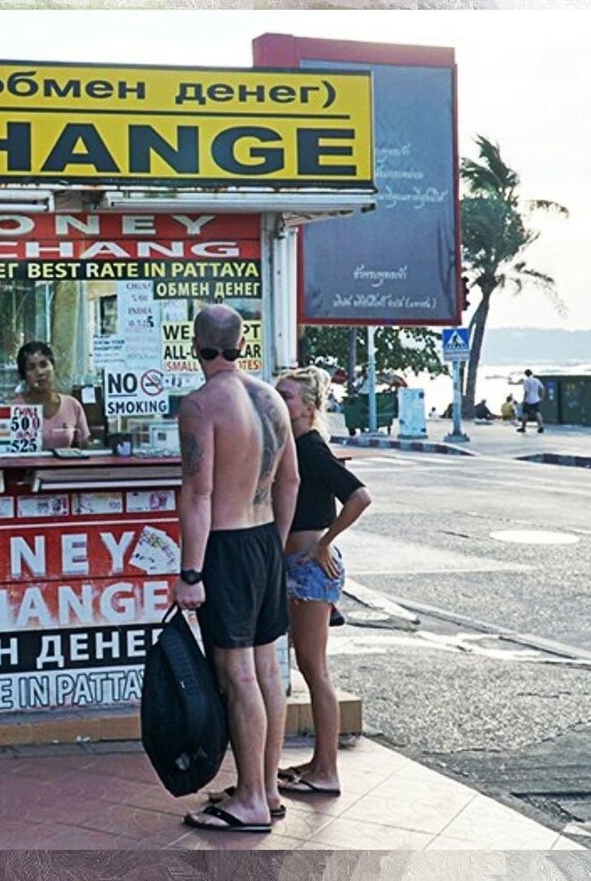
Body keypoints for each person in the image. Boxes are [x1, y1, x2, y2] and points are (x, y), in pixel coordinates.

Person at [175, 304, 298, 834]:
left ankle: (248, 799)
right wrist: (276, 545)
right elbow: (289, 481)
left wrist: (191, 572)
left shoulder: (201, 405)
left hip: (224, 547)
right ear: (241, 345)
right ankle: (266, 789)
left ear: (196, 347)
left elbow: (199, 493)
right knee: (267, 669)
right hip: (264, 540)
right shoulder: (271, 398)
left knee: (237, 672)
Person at [271, 366, 371, 795]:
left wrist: (324, 543)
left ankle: (327, 770)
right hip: (298, 566)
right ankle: (318, 763)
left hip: (311, 568)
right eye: (277, 394)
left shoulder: (310, 447)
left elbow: (359, 496)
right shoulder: (290, 446)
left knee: (315, 670)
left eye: (288, 397)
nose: (279, 402)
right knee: (309, 667)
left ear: (308, 408)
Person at [8, 341, 89, 450]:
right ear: (24, 376)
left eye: (44, 365)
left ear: (53, 367)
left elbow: (85, 448)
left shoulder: (72, 405)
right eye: (31, 368)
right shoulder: (13, 409)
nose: (40, 372)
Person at [517, 369, 545, 433]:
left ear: (526, 374)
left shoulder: (526, 381)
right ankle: (541, 426)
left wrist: (524, 400)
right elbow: (543, 388)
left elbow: (526, 392)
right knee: (537, 413)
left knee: (525, 413)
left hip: (528, 400)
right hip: (536, 399)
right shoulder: (537, 380)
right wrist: (542, 397)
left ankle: (523, 428)